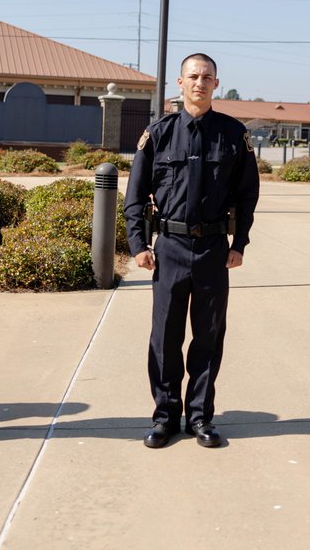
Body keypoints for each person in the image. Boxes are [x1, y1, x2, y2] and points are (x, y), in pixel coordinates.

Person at [124, 53, 260, 449]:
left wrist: (240, 245)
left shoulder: (233, 135)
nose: (200, 83)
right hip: (169, 248)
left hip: (214, 250)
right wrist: (138, 244)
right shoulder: (159, 134)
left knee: (208, 336)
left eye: (207, 77)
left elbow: (247, 195)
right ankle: (165, 416)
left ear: (217, 84)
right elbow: (134, 196)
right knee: (165, 337)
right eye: (193, 77)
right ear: (179, 84)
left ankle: (200, 417)